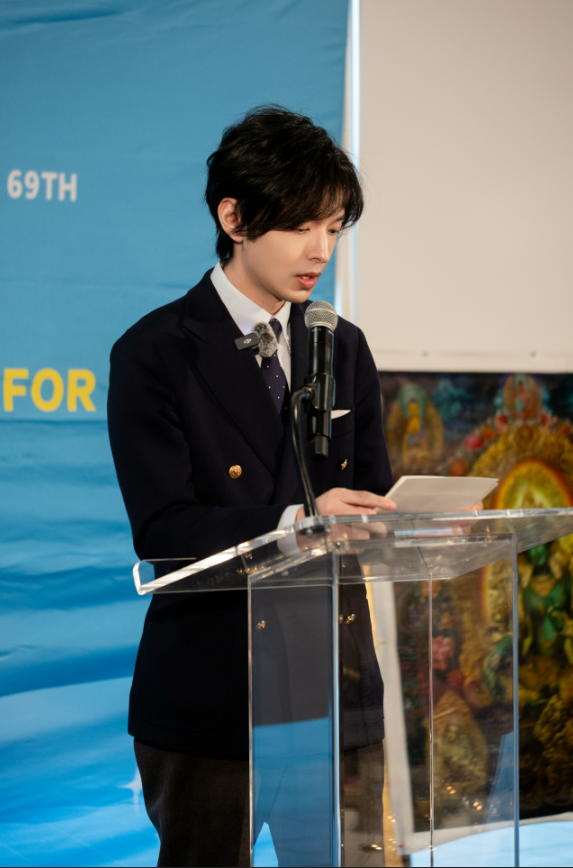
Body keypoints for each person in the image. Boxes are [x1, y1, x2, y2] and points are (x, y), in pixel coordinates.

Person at [107, 105, 396, 867]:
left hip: (335, 694)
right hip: (215, 693)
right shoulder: (156, 351)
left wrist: (397, 519)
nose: (319, 249)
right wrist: (297, 521)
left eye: (333, 227)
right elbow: (163, 528)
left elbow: (369, 491)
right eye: (300, 225)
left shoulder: (341, 344)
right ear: (232, 217)